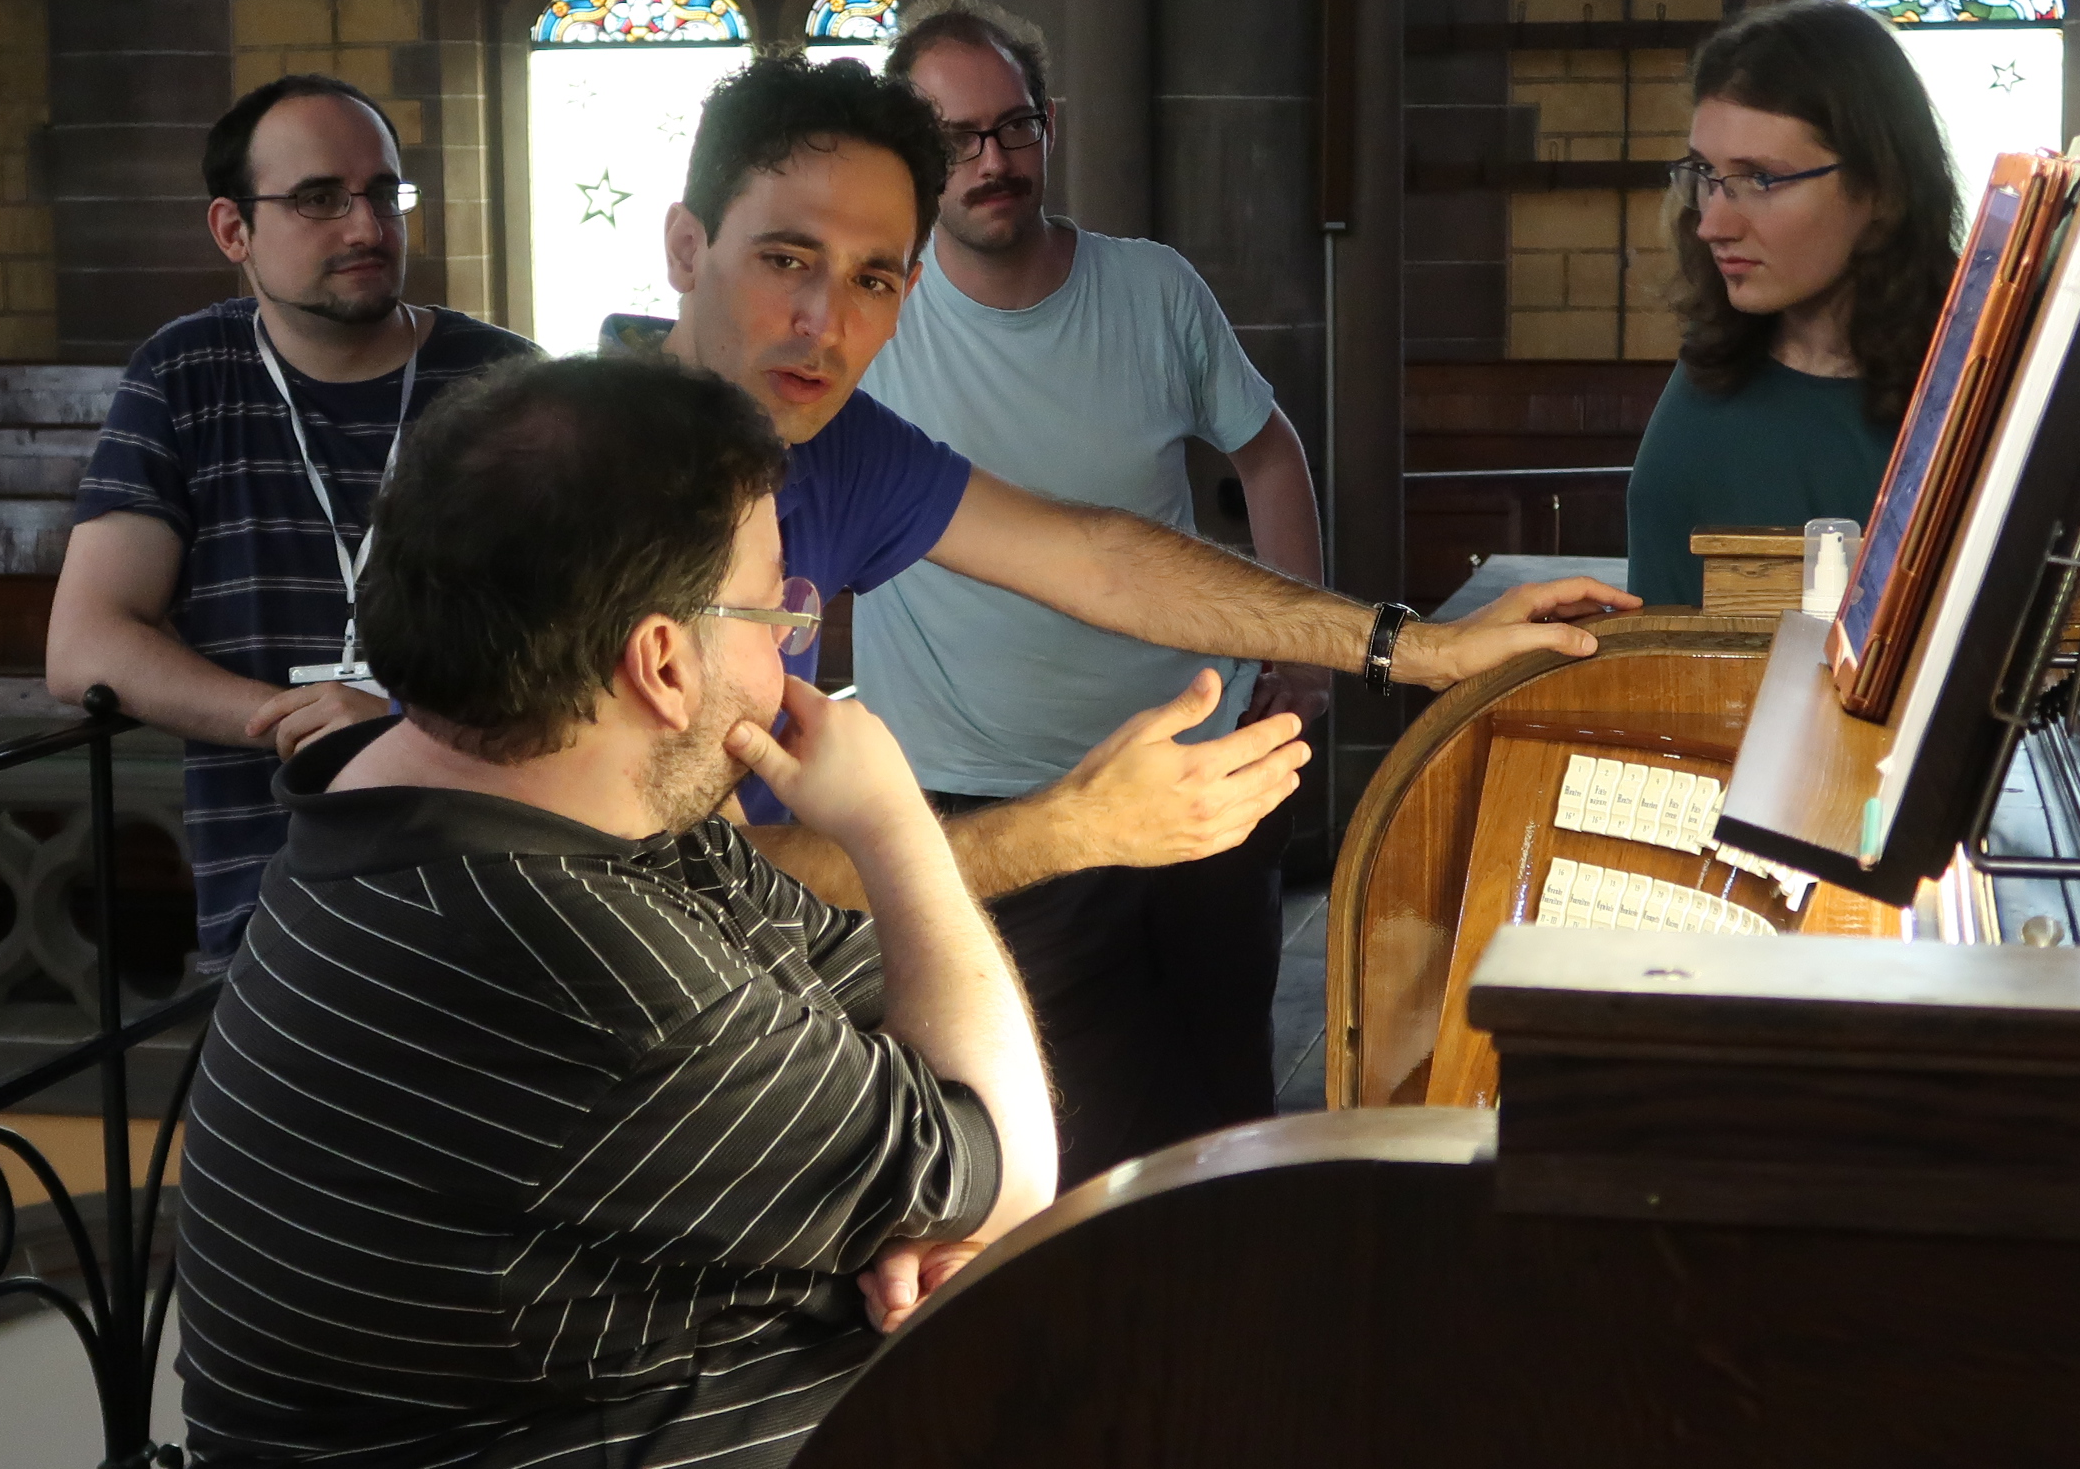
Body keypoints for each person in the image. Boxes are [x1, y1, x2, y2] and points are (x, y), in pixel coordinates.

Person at [174, 356, 1055, 1469]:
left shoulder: (500, 806)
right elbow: (1005, 1143)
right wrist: (895, 827)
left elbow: (924, 1054)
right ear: (660, 659)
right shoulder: (574, 951)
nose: (794, 650)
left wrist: (933, 1169)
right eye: (775, 608)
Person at [630, 53, 1636, 922]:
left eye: (873, 279)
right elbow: (672, 878)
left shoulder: (839, 444)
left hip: (763, 980)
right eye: (786, 259)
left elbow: (1098, 558)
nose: (825, 320)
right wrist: (1070, 829)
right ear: (685, 248)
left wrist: (1418, 648)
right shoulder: (586, 484)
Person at [852, 0, 1324, 1177]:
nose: (993, 161)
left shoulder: (1152, 289)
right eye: (957, 138)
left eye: (1014, 127)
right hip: (995, 808)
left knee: (1225, 1116)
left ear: (1050, 122)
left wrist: (1308, 648)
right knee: (1043, 1147)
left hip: (1195, 774)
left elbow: (1268, 453)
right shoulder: (875, 314)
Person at [46, 74, 535, 967]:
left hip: (493, 894)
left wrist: (394, 725)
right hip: (269, 913)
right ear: (233, 230)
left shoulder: (512, 387)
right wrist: (296, 719)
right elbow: (84, 646)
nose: (367, 227)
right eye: (318, 199)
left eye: (382, 193)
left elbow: (581, 653)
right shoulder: (183, 376)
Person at [1624, 0, 1964, 606]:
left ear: (1882, 190)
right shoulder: (1710, 364)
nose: (1712, 225)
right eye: (1704, 173)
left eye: (1761, 178)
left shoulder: (1961, 403)